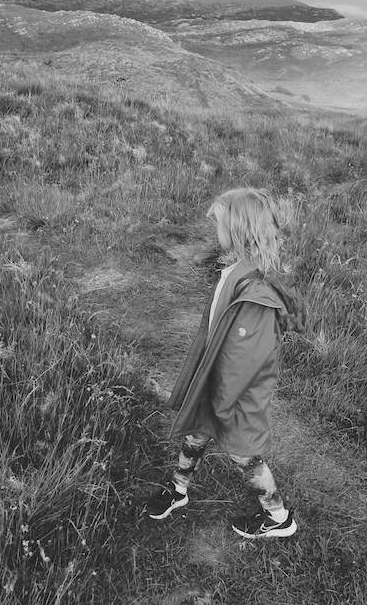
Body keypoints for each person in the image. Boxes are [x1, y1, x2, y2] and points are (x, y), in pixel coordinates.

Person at [145, 187, 306, 539]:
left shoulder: (258, 293)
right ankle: (179, 489)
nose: (215, 229)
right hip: (216, 381)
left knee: (244, 453)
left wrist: (222, 401)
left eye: (219, 223)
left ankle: (278, 517)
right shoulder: (239, 271)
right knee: (196, 432)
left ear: (236, 230)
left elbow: (246, 359)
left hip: (236, 394)